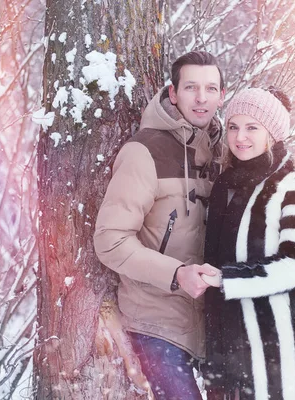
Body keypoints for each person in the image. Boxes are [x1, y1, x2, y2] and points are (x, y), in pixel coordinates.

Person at [202, 87, 295, 400]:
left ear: (272, 133)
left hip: (293, 358)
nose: (240, 137)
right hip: (236, 356)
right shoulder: (224, 186)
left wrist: (225, 278)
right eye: (233, 127)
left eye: (252, 127)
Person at [93, 50, 224, 400]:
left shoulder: (225, 151)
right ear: (173, 93)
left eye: (211, 88)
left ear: (221, 96)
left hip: (213, 324)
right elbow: (110, 240)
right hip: (156, 321)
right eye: (191, 87)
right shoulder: (144, 152)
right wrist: (176, 273)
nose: (201, 98)